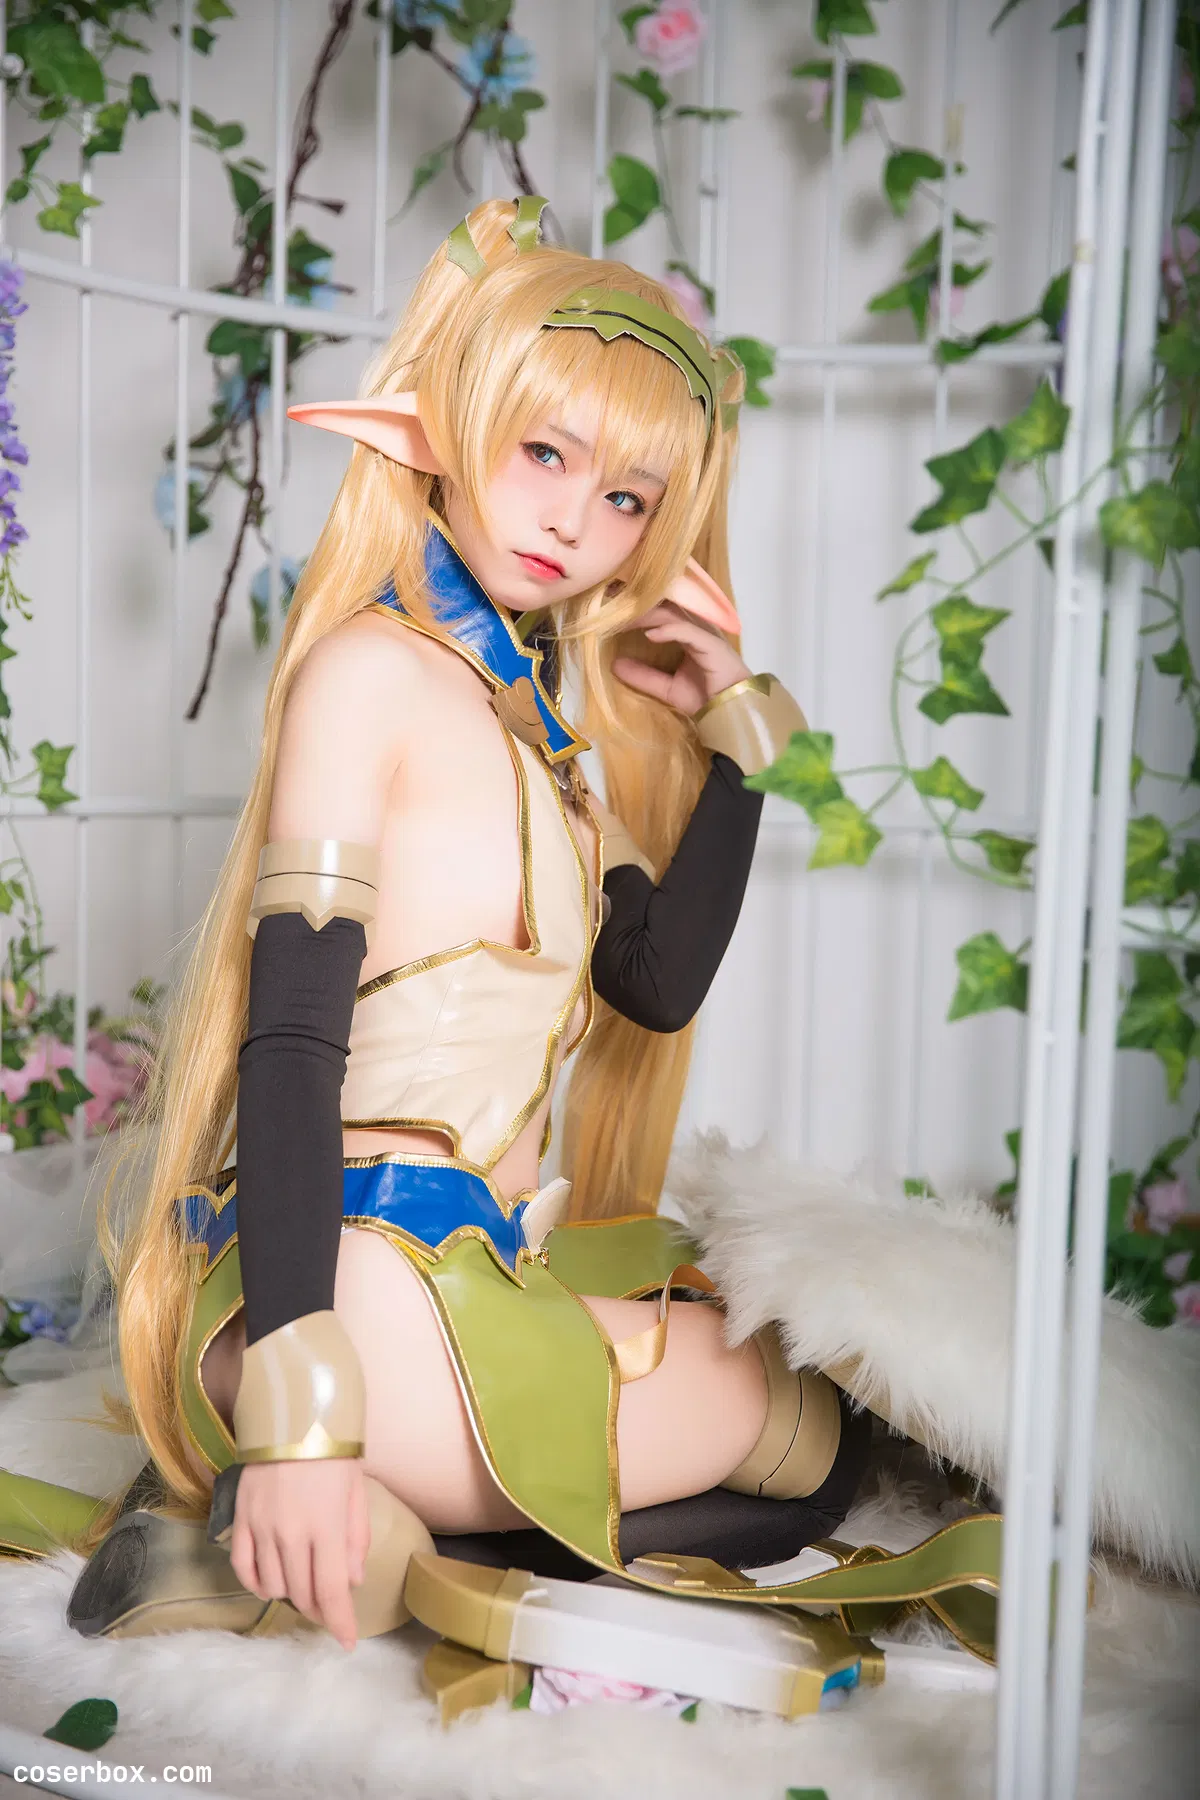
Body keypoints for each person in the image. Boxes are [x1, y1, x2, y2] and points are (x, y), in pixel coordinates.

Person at [3, 199, 872, 1656]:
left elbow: (654, 986)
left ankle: (357, 1530)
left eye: (629, 499)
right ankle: (355, 1520)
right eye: (546, 454)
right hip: (347, 1311)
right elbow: (291, 1040)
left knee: (775, 1376)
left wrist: (736, 750)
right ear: (451, 426)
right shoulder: (369, 673)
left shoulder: (543, 738)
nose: (575, 523)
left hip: (399, 1294)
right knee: (818, 1442)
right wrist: (304, 1405)